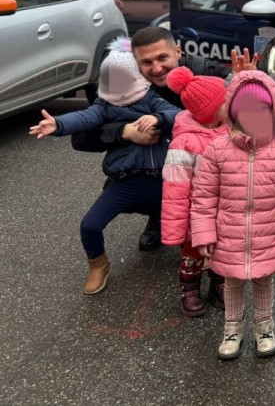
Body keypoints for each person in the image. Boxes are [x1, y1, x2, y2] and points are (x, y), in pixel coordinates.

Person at [69, 26, 255, 252]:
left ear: (178, 51)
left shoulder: (206, 72)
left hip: (208, 161)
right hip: (159, 167)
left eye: (163, 58)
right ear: (135, 63)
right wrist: (125, 132)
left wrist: (247, 83)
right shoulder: (125, 83)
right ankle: (159, 215)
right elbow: (80, 138)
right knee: (142, 187)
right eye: (146, 62)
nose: (156, 68)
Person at [28, 38, 181, 295]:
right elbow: (85, 118)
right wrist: (58, 124)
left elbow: (178, 114)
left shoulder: (151, 99)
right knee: (90, 225)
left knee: (191, 227)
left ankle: (198, 265)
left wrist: (157, 118)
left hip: (164, 181)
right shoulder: (105, 106)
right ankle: (98, 263)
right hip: (126, 181)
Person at [191, 70, 275, 360]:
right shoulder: (217, 149)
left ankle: (264, 327)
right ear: (234, 112)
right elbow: (204, 196)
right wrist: (204, 233)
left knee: (263, 280)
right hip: (228, 233)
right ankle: (232, 328)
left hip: (268, 231)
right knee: (232, 281)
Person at [161, 67, 229, 317]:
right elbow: (175, 189)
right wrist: (177, 229)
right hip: (195, 217)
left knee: (223, 251)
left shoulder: (230, 132)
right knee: (192, 255)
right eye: (225, 102)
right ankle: (189, 289)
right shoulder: (184, 143)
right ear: (209, 110)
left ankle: (219, 284)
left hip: (225, 212)